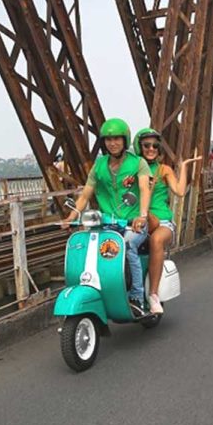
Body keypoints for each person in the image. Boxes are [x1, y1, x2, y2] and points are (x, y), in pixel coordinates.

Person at [62, 118, 152, 312]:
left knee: (128, 246)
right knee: (85, 247)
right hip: (106, 223)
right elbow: (86, 193)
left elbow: (144, 189)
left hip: (132, 223)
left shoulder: (138, 163)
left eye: (117, 139)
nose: (112, 143)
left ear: (125, 140)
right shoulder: (99, 166)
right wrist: (72, 216)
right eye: (108, 139)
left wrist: (142, 216)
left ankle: (136, 296)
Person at [133, 128, 201, 314]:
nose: (151, 149)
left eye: (155, 145)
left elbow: (179, 191)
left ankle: (153, 295)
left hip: (161, 222)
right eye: (146, 145)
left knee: (156, 240)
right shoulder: (132, 169)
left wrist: (184, 167)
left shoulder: (164, 169)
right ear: (139, 147)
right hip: (136, 220)